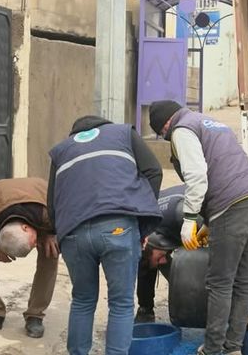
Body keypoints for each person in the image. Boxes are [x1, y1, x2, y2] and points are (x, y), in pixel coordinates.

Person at [149, 100, 248, 355]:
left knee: (220, 283)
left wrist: (190, 219)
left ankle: (213, 349)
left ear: (165, 125)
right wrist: (211, 226)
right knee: (245, 281)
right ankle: (233, 347)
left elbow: (197, 175)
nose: (165, 137)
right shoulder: (210, 123)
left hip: (231, 206)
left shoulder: (182, 129)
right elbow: (225, 165)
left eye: (162, 134)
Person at [48, 115, 163, 355]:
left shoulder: (61, 150)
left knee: (82, 300)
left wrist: (58, 233)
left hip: (73, 233)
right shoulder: (123, 133)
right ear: (104, 125)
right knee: (121, 303)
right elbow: (154, 171)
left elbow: (52, 202)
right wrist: (142, 220)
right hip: (118, 227)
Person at [0, 177, 59, 338]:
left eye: (33, 243)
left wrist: (51, 232)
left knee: (51, 251)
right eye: (35, 242)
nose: (36, 245)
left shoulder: (50, 212)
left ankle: (35, 315)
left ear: (26, 228)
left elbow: (67, 213)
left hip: (39, 201)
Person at [134, 184, 208, 323]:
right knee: (148, 265)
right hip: (168, 228)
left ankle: (208, 308)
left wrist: (206, 229)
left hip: (196, 212)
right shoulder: (147, 233)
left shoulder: (178, 215)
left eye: (159, 258)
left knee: (203, 265)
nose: (163, 262)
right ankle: (145, 309)